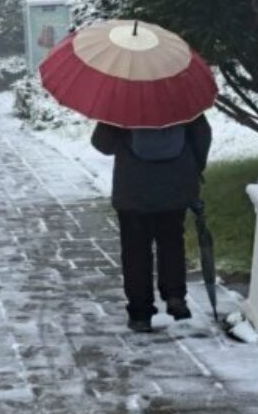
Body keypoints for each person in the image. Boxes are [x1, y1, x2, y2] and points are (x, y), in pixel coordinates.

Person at [91, 115, 212, 333]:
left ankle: (140, 312)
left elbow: (102, 144)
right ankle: (175, 297)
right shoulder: (183, 101)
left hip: (132, 189)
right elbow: (202, 137)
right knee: (172, 241)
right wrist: (193, 169)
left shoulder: (123, 103)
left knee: (135, 250)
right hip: (175, 185)